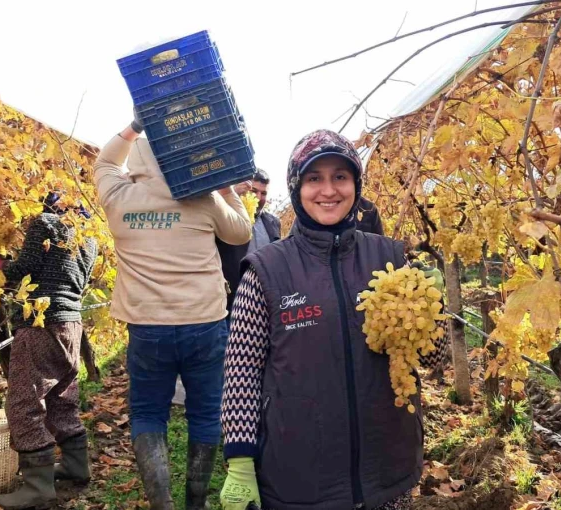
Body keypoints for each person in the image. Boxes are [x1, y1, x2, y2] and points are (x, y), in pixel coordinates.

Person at [220, 130, 440, 510]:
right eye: (314, 178)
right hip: (300, 478)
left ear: (356, 183)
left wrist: (431, 310)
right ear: (296, 188)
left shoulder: (391, 259)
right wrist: (239, 460)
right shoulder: (267, 270)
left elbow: (431, 360)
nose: (328, 190)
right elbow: (242, 370)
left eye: (340, 176)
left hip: (387, 469)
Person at [93, 119, 252, 510]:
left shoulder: (119, 196)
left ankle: (162, 504)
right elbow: (241, 233)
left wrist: (133, 128)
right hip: (205, 323)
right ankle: (195, 503)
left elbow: (104, 163)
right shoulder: (204, 199)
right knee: (205, 412)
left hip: (147, 328)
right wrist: (225, 186)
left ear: (141, 160)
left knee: (148, 412)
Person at [0, 194, 98, 510]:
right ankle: (77, 466)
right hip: (71, 324)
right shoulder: (88, 234)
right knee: (60, 395)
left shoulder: (45, 222)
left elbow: (24, 268)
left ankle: (37, 486)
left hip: (41, 322)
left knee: (24, 400)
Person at [217, 168, 281, 313]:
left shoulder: (273, 222)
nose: (259, 197)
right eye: (254, 191)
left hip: (265, 300)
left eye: (263, 193)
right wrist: (231, 194)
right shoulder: (227, 217)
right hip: (231, 301)